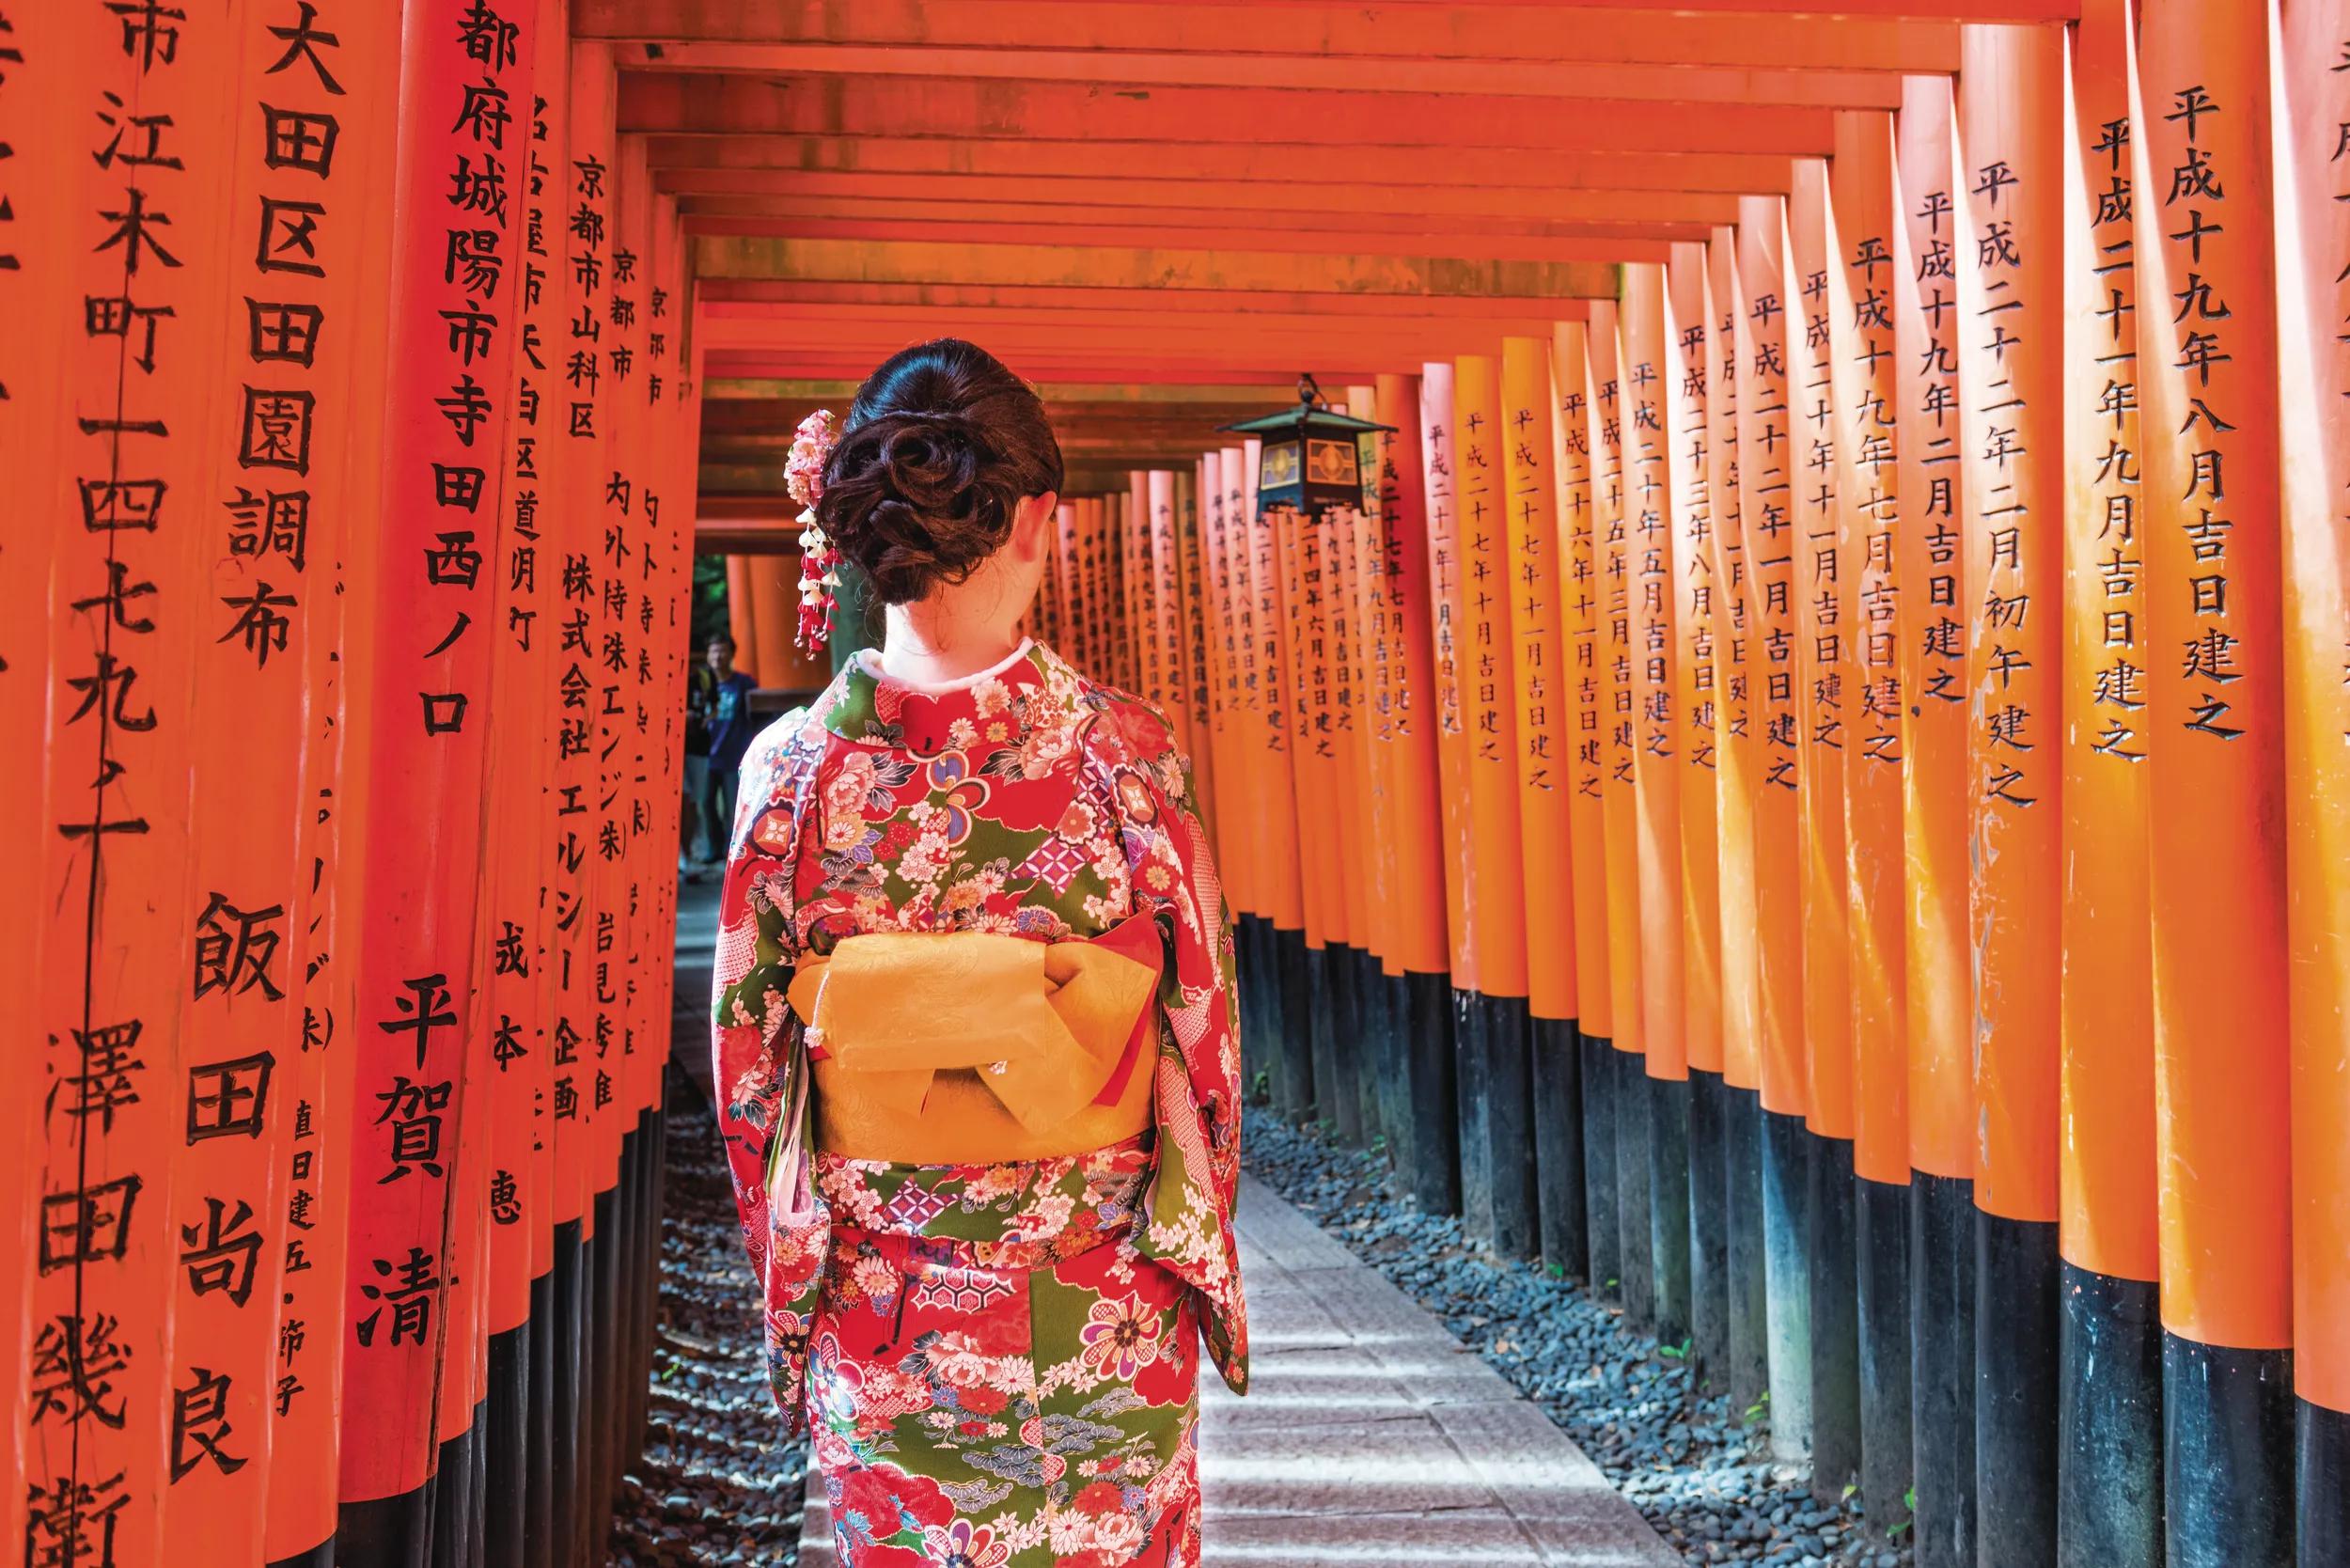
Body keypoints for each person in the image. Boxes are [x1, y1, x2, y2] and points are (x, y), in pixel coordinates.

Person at [710, 338, 1246, 1568]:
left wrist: (805, 1295)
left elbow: (752, 1091)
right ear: (1036, 520)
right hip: (1099, 1320)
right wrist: (1187, 1245)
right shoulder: (1126, 758)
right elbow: (1205, 1054)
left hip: (884, 1325)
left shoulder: (788, 779)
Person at [701, 632, 760, 861]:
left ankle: (732, 849)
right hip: (706, 754)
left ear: (731, 654)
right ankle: (713, 848)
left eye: (723, 650)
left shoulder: (743, 683)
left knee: (733, 805)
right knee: (706, 802)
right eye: (714, 651)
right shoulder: (703, 685)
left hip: (734, 753)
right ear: (707, 656)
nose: (718, 655)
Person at [682, 650, 718, 872]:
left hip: (699, 745)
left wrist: (705, 719)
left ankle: (690, 852)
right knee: (683, 800)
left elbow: (714, 707)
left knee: (694, 802)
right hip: (675, 746)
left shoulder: (706, 677)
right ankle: (684, 854)